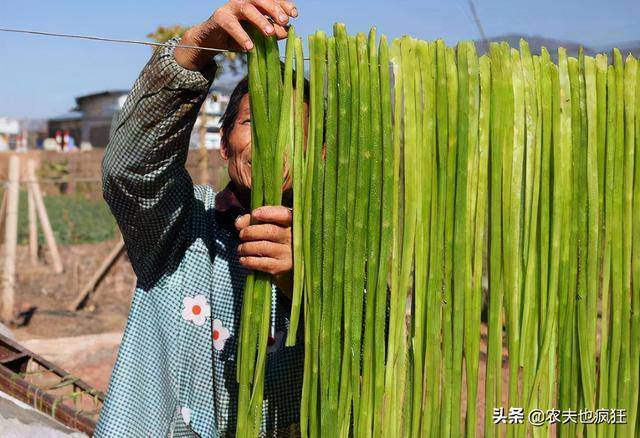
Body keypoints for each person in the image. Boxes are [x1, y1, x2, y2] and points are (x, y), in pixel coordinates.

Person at [95, 1, 303, 436]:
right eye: (253, 121)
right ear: (225, 145)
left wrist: (301, 281)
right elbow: (130, 170)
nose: (273, 137)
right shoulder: (182, 226)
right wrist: (196, 49)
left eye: (293, 124)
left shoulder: (347, 246)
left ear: (321, 153)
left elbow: (373, 344)